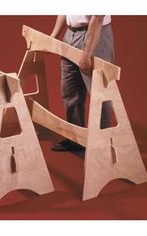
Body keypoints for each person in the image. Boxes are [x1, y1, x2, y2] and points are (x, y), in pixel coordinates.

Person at [50, 15, 115, 151]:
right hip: (71, 34)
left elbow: (97, 17)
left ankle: (104, 145)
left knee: (99, 93)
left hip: (95, 35)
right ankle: (76, 139)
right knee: (70, 91)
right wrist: (54, 36)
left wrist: (87, 52)